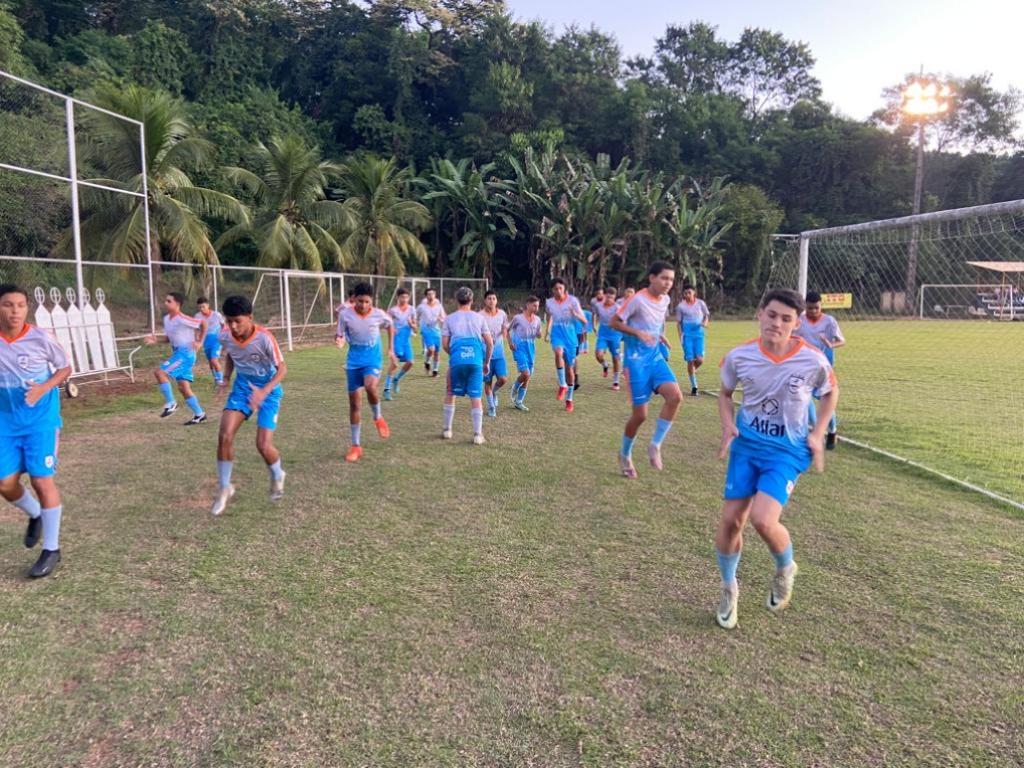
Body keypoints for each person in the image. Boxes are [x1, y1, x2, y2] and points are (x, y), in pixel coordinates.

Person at [713, 289, 838, 630]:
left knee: (764, 520)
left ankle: (785, 568)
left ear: (797, 324)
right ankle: (729, 588)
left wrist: (818, 433)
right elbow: (725, 394)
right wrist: (727, 424)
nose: (777, 323)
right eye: (772, 315)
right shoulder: (739, 357)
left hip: (786, 451)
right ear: (760, 314)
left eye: (786, 319)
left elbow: (830, 393)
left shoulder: (813, 360)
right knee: (730, 521)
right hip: (747, 447)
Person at [0, 284, 72, 578]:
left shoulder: (42, 338)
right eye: (7, 304)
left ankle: (51, 549)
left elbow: (65, 368)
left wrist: (44, 387)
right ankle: (35, 514)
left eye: (20, 305)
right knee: (5, 484)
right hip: (6, 422)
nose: (15, 311)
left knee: (43, 481)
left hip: (41, 421)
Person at [211, 295, 288, 516]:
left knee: (263, 445)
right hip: (243, 389)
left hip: (269, 391)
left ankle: (277, 474)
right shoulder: (225, 336)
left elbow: (282, 369)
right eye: (229, 321)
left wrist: (264, 391)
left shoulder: (265, 338)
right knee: (224, 436)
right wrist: (225, 378)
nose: (233, 327)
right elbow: (232, 355)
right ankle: (225, 488)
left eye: (238, 321)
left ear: (250, 317)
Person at [611, 262, 682, 478]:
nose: (668, 283)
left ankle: (655, 445)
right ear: (651, 278)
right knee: (640, 416)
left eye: (671, 279)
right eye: (663, 278)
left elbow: (655, 323)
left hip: (655, 357)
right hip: (635, 362)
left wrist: (660, 336)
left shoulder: (666, 299)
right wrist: (636, 333)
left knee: (675, 397)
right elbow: (614, 322)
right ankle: (624, 454)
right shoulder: (637, 300)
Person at [335, 282, 395, 463]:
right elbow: (340, 334)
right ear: (354, 300)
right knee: (354, 406)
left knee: (370, 386)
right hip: (353, 363)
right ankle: (356, 446)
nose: (363, 305)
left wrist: (391, 348)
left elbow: (390, 325)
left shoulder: (378, 315)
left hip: (372, 361)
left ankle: (378, 417)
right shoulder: (345, 315)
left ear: (372, 301)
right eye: (360, 301)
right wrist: (339, 341)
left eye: (367, 302)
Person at [145, 292, 207, 425]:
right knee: (183, 387)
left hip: (186, 354)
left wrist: (200, 342)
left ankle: (171, 403)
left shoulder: (182, 318)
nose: (166, 303)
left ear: (177, 304)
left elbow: (203, 324)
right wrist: (156, 340)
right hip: (178, 353)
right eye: (166, 301)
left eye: (169, 301)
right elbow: (169, 338)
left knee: (160, 373)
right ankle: (199, 414)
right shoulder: (167, 319)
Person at [794, 291, 845, 450]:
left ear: (821, 306)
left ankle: (832, 431)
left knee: (825, 400)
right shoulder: (800, 321)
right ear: (805, 307)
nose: (813, 311)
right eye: (810, 308)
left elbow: (841, 341)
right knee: (806, 397)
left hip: (824, 367)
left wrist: (831, 345)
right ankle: (817, 432)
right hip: (805, 366)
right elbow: (792, 337)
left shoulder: (829, 321)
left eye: (816, 308)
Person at [441, 287, 493, 444]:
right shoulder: (479, 318)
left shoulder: (449, 319)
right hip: (476, 361)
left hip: (457, 361)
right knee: (476, 397)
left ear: (457, 300)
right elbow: (490, 343)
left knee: (451, 393)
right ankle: (477, 435)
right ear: (471, 301)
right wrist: (486, 362)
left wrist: (456, 355)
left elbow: (444, 344)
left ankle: (447, 430)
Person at [544, 279, 588, 412]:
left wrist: (574, 314)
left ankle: (569, 399)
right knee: (558, 352)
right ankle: (562, 385)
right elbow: (550, 317)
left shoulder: (573, 301)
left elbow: (584, 320)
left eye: (560, 288)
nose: (558, 291)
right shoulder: (549, 302)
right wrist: (547, 332)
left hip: (570, 336)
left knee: (570, 369)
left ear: (564, 289)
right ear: (552, 290)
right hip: (557, 334)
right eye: (556, 288)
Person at [478, 290, 509, 417]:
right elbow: (476, 332)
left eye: (494, 298)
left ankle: (494, 392)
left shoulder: (502, 314)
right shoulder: (479, 315)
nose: (491, 301)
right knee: (488, 382)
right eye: (489, 298)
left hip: (499, 353)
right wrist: (486, 337)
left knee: (503, 379)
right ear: (485, 300)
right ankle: (491, 407)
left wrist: (503, 333)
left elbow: (505, 329)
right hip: (485, 355)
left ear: (497, 301)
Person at [507, 297, 542, 411]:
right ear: (528, 305)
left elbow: (538, 334)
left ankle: (519, 402)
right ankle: (515, 387)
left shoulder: (537, 319)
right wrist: (510, 342)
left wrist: (539, 334)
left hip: (530, 349)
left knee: (527, 378)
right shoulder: (517, 318)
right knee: (526, 374)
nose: (536, 308)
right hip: (519, 348)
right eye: (534, 305)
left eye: (537, 306)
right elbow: (507, 330)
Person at [675, 285, 710, 396]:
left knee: (699, 360)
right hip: (687, 336)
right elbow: (679, 323)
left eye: (689, 292)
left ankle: (692, 371)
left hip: (699, 335)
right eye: (685, 293)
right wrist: (680, 336)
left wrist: (705, 322)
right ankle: (694, 387)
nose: (687, 295)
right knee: (690, 360)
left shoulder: (700, 303)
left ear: (694, 293)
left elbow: (706, 315)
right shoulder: (681, 306)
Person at [384, 288, 418, 400]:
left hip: (406, 340)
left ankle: (396, 379)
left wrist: (411, 325)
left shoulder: (412, 310)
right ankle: (387, 390)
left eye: (406, 297)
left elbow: (416, 329)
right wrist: (391, 329)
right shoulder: (393, 310)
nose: (404, 299)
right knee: (394, 364)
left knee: (411, 362)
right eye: (402, 297)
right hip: (396, 339)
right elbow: (385, 323)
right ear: (398, 297)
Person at [593, 286, 624, 390]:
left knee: (615, 358)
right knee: (598, 355)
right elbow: (596, 315)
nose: (609, 299)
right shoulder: (598, 305)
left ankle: (616, 382)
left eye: (612, 297)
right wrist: (594, 325)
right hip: (603, 334)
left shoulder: (617, 308)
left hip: (615, 335)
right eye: (608, 297)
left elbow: (623, 320)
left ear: (614, 298)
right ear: (605, 296)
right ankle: (605, 364)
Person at [194, 296, 225, 385]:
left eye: (203, 306)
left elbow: (224, 325)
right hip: (205, 340)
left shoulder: (216, 315)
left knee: (214, 359)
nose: (201, 309)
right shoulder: (197, 316)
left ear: (208, 305)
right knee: (210, 361)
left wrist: (223, 335)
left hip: (216, 339)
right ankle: (216, 378)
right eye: (199, 307)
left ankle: (221, 379)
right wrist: (197, 338)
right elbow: (196, 329)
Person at [416, 287, 446, 377]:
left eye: (432, 294)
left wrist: (441, 319)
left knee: (437, 352)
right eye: (429, 294)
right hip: (426, 329)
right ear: (426, 296)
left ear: (435, 295)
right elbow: (415, 315)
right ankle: (428, 360)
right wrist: (415, 324)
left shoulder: (439, 306)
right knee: (431, 349)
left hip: (436, 330)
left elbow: (443, 317)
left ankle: (434, 370)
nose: (431, 296)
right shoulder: (421, 307)